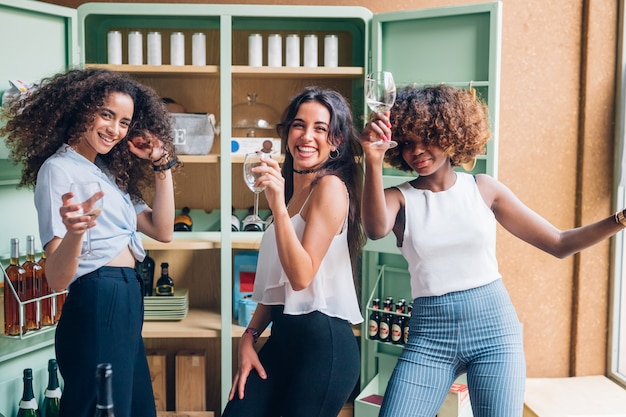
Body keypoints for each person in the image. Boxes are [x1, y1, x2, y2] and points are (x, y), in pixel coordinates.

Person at [359, 84, 626, 417]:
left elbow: (560, 243)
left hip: (494, 332)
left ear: (448, 132)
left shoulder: (483, 189)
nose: (417, 151)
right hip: (430, 338)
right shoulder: (398, 198)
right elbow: (374, 228)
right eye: (408, 143)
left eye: (426, 137)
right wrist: (372, 160)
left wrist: (620, 219)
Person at [0, 67, 180, 417]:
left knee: (134, 407)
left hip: (127, 295)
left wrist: (162, 164)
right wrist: (76, 232)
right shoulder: (58, 170)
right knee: (98, 407)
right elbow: (57, 277)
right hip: (99, 296)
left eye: (125, 122)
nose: (115, 129)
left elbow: (163, 230)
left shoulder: (108, 172)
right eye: (106, 115)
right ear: (82, 109)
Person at [222, 87, 366, 417]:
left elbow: (301, 277)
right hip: (283, 341)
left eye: (320, 128)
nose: (307, 136)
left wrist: (276, 205)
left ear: (337, 141)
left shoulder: (330, 188)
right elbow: (278, 286)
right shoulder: (290, 194)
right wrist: (248, 337)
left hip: (323, 348)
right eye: (299, 125)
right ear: (287, 133)